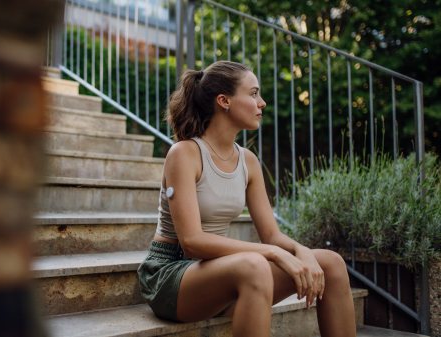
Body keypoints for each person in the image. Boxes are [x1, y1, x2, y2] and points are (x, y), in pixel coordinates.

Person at [137, 61, 356, 337]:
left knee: (331, 263)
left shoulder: (248, 162)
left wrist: (301, 251)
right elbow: (192, 242)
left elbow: (272, 235)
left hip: (220, 273)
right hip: (172, 273)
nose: (261, 103)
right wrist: (274, 254)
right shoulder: (184, 154)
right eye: (253, 94)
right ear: (224, 101)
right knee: (254, 265)